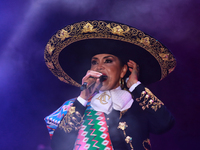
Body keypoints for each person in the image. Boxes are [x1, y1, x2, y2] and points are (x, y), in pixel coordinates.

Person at [44, 20, 176, 150]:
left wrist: (135, 85)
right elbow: (59, 146)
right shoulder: (76, 107)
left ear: (123, 70)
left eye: (108, 61)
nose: (99, 67)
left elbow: (164, 124)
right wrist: (83, 98)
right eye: (94, 62)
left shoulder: (137, 105)